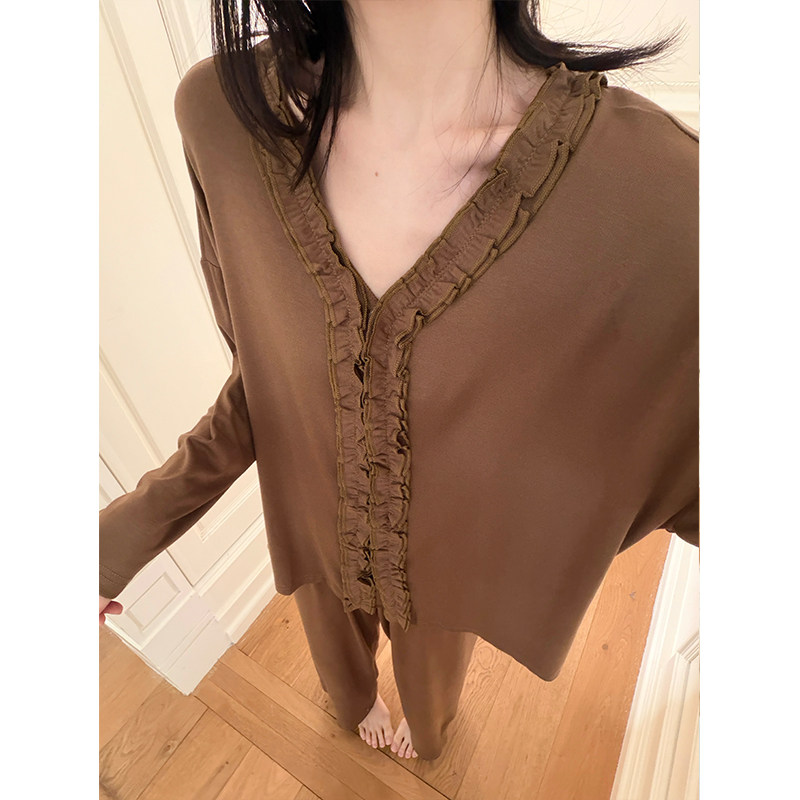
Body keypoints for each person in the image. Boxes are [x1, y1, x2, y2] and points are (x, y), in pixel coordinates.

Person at [100, 0, 698, 762]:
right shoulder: (219, 117)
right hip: (311, 520)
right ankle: (358, 705)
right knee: (338, 667)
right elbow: (262, 386)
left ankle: (426, 725)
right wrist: (116, 541)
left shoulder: (669, 210)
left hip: (452, 571)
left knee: (431, 690)